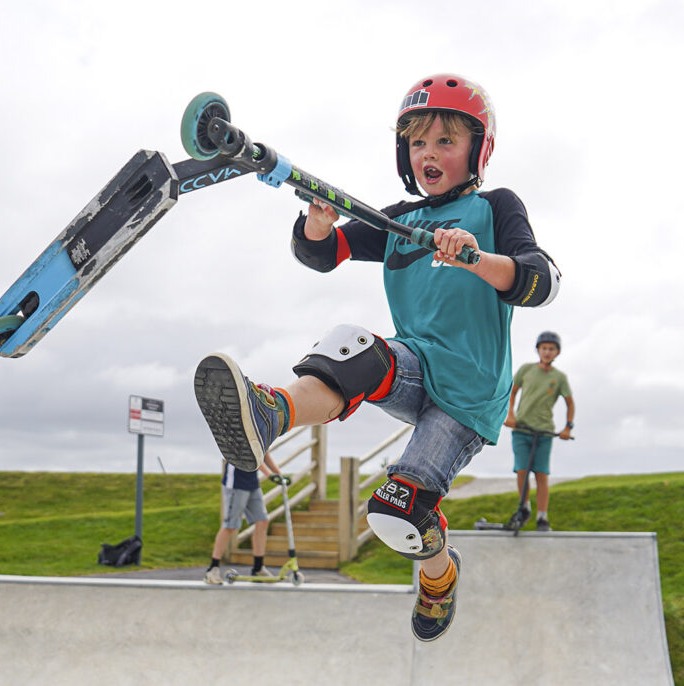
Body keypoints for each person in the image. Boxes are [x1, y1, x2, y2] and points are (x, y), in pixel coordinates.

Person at [193, 74, 560, 641]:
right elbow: (323, 253)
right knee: (352, 345)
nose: (429, 154)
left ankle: (439, 578)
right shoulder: (400, 221)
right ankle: (269, 414)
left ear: (477, 149)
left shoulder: (495, 208)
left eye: (445, 141)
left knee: (395, 513)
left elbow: (541, 280)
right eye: (417, 143)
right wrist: (315, 226)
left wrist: (478, 259)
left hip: (469, 396)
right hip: (416, 367)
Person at [503, 331, 574, 531]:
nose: (547, 352)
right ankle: (524, 508)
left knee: (541, 474)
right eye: (544, 348)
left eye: (551, 349)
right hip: (521, 429)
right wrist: (510, 414)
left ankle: (542, 517)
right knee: (522, 470)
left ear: (557, 352)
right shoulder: (526, 370)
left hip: (544, 432)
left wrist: (568, 427)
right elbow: (512, 392)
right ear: (538, 350)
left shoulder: (559, 377)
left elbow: (570, 403)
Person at [204, 453, 285, 584]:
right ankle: (212, 569)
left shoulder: (263, 433)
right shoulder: (242, 432)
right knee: (230, 526)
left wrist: (280, 474)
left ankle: (258, 568)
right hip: (236, 483)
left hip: (252, 483)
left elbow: (264, 454)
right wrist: (270, 475)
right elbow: (253, 456)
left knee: (262, 521)